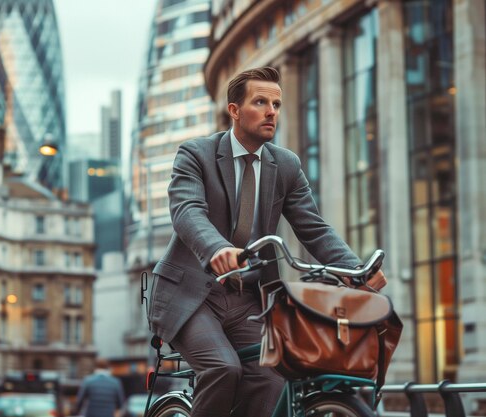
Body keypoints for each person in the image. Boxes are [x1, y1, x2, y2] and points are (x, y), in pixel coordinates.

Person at [147, 66, 387, 417]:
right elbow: (187, 211)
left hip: (248, 300)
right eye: (260, 102)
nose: (271, 111)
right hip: (193, 296)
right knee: (222, 368)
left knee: (274, 376)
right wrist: (217, 248)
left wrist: (356, 271)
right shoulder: (196, 154)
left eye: (276, 103)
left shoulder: (285, 165)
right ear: (234, 110)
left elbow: (314, 229)